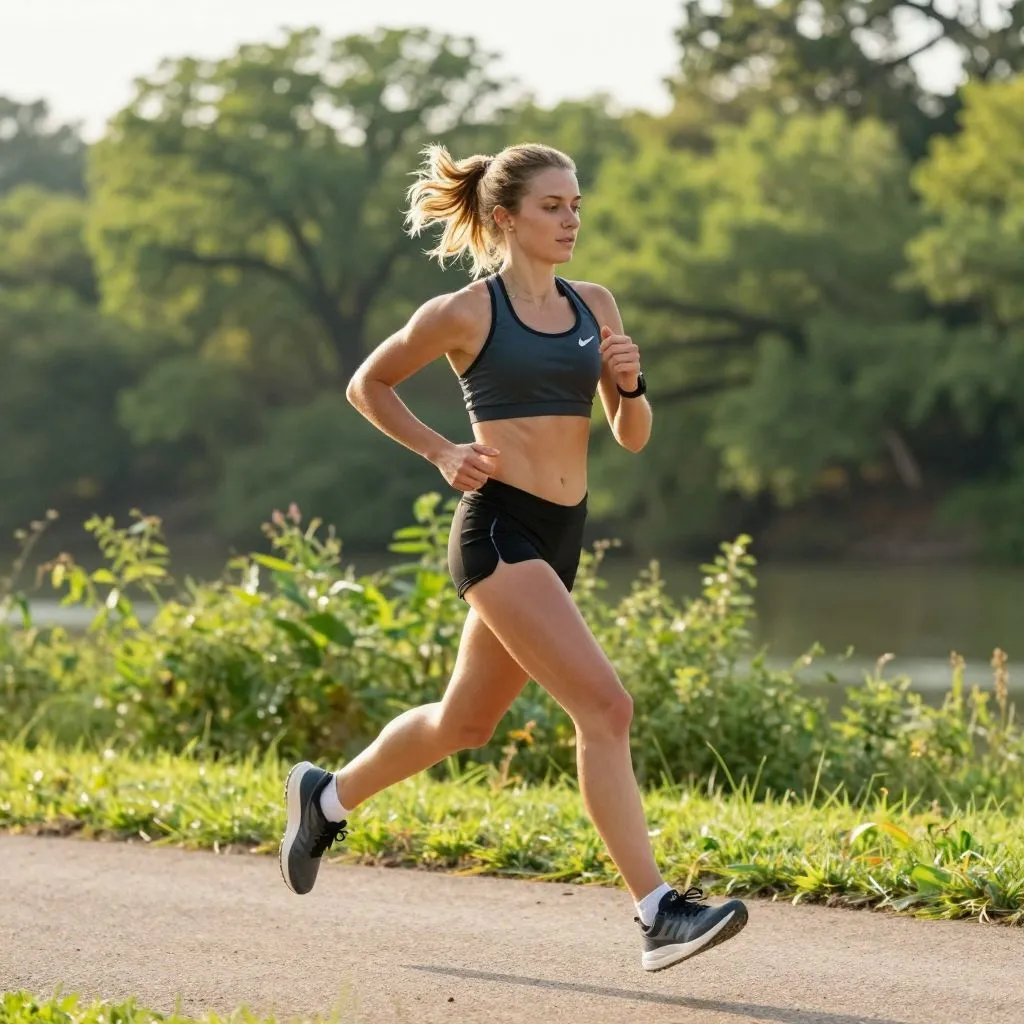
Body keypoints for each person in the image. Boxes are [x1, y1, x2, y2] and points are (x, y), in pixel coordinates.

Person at [278, 142, 748, 972]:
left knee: (466, 722)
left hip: (561, 535)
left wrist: (630, 386)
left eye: (576, 205)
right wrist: (438, 451)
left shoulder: (593, 303)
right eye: (552, 207)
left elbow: (631, 440)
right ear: (505, 218)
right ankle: (656, 913)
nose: (571, 220)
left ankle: (328, 795)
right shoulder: (464, 312)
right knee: (606, 709)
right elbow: (368, 384)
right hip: (498, 531)